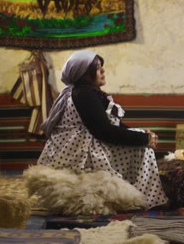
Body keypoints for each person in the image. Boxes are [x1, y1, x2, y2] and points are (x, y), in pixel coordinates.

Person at [37, 50, 168, 209]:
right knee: (143, 148)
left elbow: (112, 125)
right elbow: (104, 131)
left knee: (140, 136)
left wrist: (143, 135)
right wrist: (144, 139)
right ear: (85, 74)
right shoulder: (83, 94)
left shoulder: (86, 92)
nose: (103, 71)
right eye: (98, 68)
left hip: (86, 145)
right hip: (78, 154)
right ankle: (147, 200)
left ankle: (140, 194)